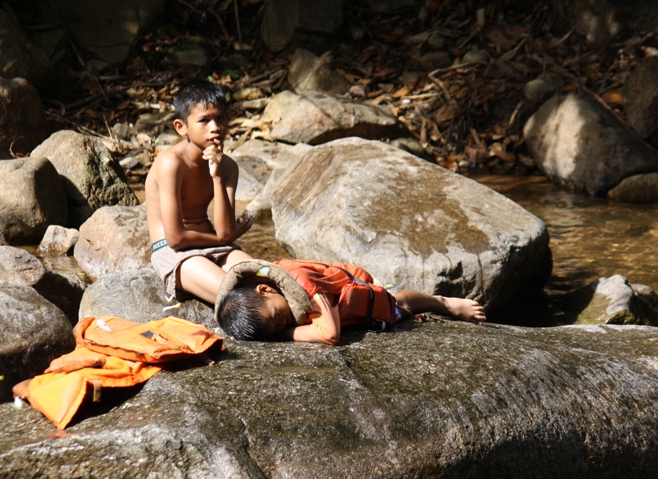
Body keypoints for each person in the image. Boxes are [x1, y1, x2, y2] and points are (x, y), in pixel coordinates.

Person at [146, 80, 254, 304]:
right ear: (181, 127)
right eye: (204, 120)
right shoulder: (170, 162)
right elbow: (175, 238)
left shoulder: (228, 167)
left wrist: (216, 176)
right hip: (174, 252)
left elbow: (225, 231)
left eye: (220, 118)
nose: (215, 127)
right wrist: (226, 238)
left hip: (217, 246)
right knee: (240, 300)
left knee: (269, 283)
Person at [215, 259, 486, 345]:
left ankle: (443, 303)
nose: (282, 321)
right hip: (344, 310)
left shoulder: (298, 281)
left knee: (398, 304)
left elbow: (330, 334)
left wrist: (282, 334)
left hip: (357, 294)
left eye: (277, 315)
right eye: (276, 326)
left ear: (264, 288)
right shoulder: (269, 299)